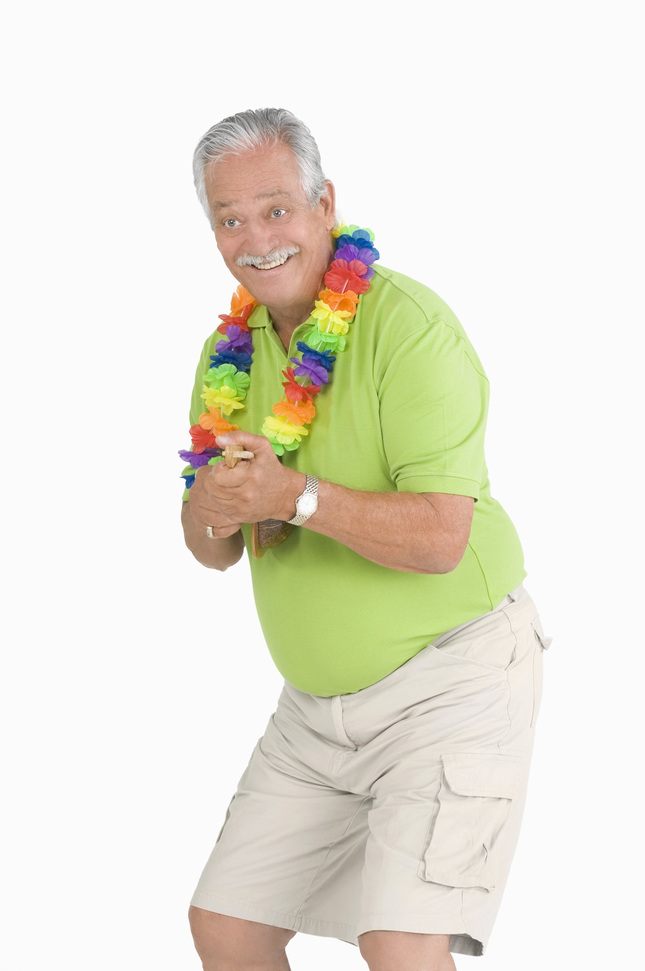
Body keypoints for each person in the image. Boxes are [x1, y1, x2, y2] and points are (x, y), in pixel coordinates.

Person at [180, 108, 549, 971]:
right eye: (229, 219)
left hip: (451, 678)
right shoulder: (225, 353)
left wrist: (293, 495)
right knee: (227, 926)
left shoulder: (409, 328)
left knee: (401, 946)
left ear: (324, 204)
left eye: (275, 209)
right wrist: (215, 505)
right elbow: (211, 548)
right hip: (315, 710)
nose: (255, 239)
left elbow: (441, 540)